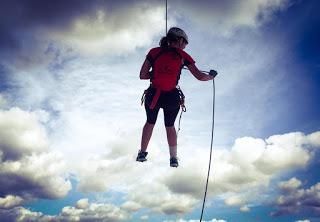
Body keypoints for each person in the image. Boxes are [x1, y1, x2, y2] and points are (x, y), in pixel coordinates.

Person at [136, 27, 215, 167]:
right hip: (171, 97)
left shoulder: (154, 52)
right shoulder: (183, 56)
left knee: (150, 122)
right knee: (170, 125)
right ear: (179, 40)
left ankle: (142, 152)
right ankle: (173, 158)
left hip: (153, 94)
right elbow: (200, 76)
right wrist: (211, 76)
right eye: (185, 43)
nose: (185, 46)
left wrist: (156, 74)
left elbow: (142, 75)